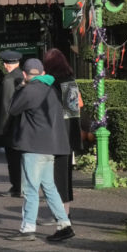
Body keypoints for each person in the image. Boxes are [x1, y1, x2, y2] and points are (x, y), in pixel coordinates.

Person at [6, 58, 74, 242]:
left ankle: (28, 228)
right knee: (49, 187)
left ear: (26, 75)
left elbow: (12, 109)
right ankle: (64, 224)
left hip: (33, 146)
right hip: (50, 147)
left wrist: (20, 87)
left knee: (30, 189)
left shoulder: (29, 90)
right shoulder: (51, 89)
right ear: (42, 73)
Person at [42, 48, 83, 222]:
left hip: (55, 135)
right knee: (64, 176)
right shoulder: (70, 81)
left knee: (54, 177)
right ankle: (64, 212)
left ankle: (61, 214)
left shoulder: (51, 83)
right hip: (67, 135)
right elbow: (74, 109)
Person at [0, 50, 23, 197]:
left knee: (13, 160)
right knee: (21, 158)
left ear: (6, 64)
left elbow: (6, 106)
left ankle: (16, 187)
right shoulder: (22, 76)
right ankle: (21, 186)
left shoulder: (8, 80)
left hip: (10, 126)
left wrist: (2, 129)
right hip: (22, 125)